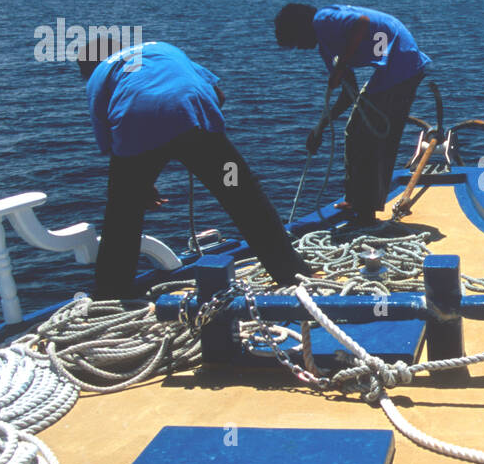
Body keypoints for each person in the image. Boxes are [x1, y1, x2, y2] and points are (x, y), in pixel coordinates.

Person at [79, 40, 311, 299]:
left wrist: (140, 184)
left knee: (122, 213)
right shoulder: (159, 48)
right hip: (194, 121)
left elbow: (114, 144)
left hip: (135, 126)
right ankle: (291, 273)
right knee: (244, 195)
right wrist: (198, 141)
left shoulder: (99, 75)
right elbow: (218, 95)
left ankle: (111, 293)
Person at [273, 4, 430, 224]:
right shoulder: (326, 48)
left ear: (300, 28)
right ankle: (356, 199)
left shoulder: (322, 19)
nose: (301, 48)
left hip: (402, 63)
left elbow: (362, 22)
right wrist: (320, 128)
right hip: (390, 67)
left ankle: (366, 210)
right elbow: (349, 94)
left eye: (297, 42)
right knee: (353, 130)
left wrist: (342, 65)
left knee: (369, 138)